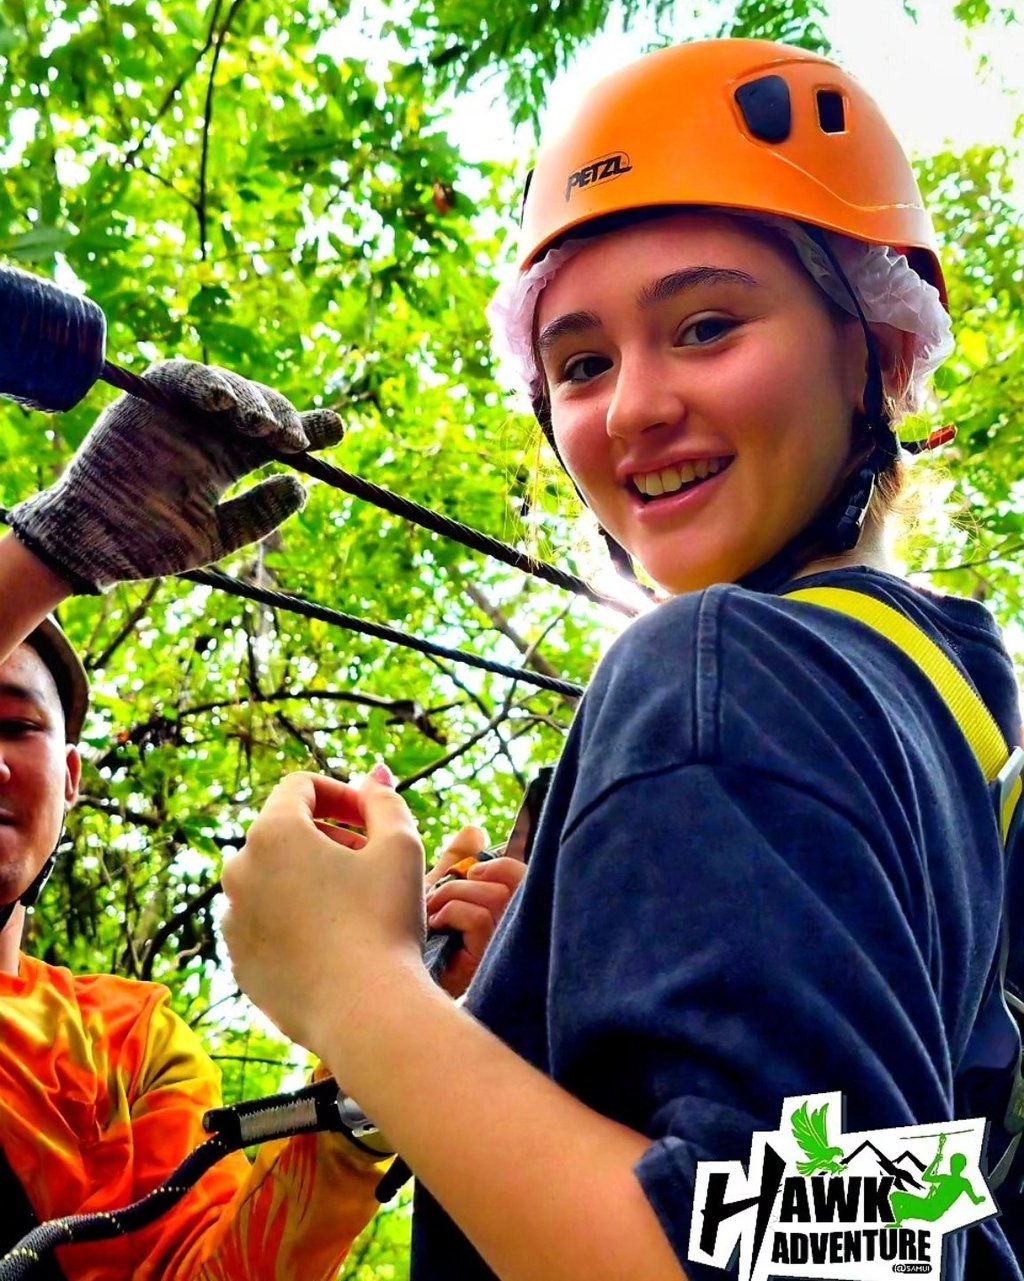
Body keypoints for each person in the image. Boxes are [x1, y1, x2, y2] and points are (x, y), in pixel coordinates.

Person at [218, 37, 1023, 1281]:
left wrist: (348, 988)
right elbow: (898, 1203)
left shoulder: (715, 668)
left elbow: (811, 1269)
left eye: (705, 325)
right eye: (581, 364)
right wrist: (541, 1000)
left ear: (874, 346)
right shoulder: (959, 712)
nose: (632, 407)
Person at [0, 363, 391, 1279]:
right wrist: (57, 553)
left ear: (70, 781)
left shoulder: (125, 1042)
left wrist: (382, 1046)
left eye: (15, 725)